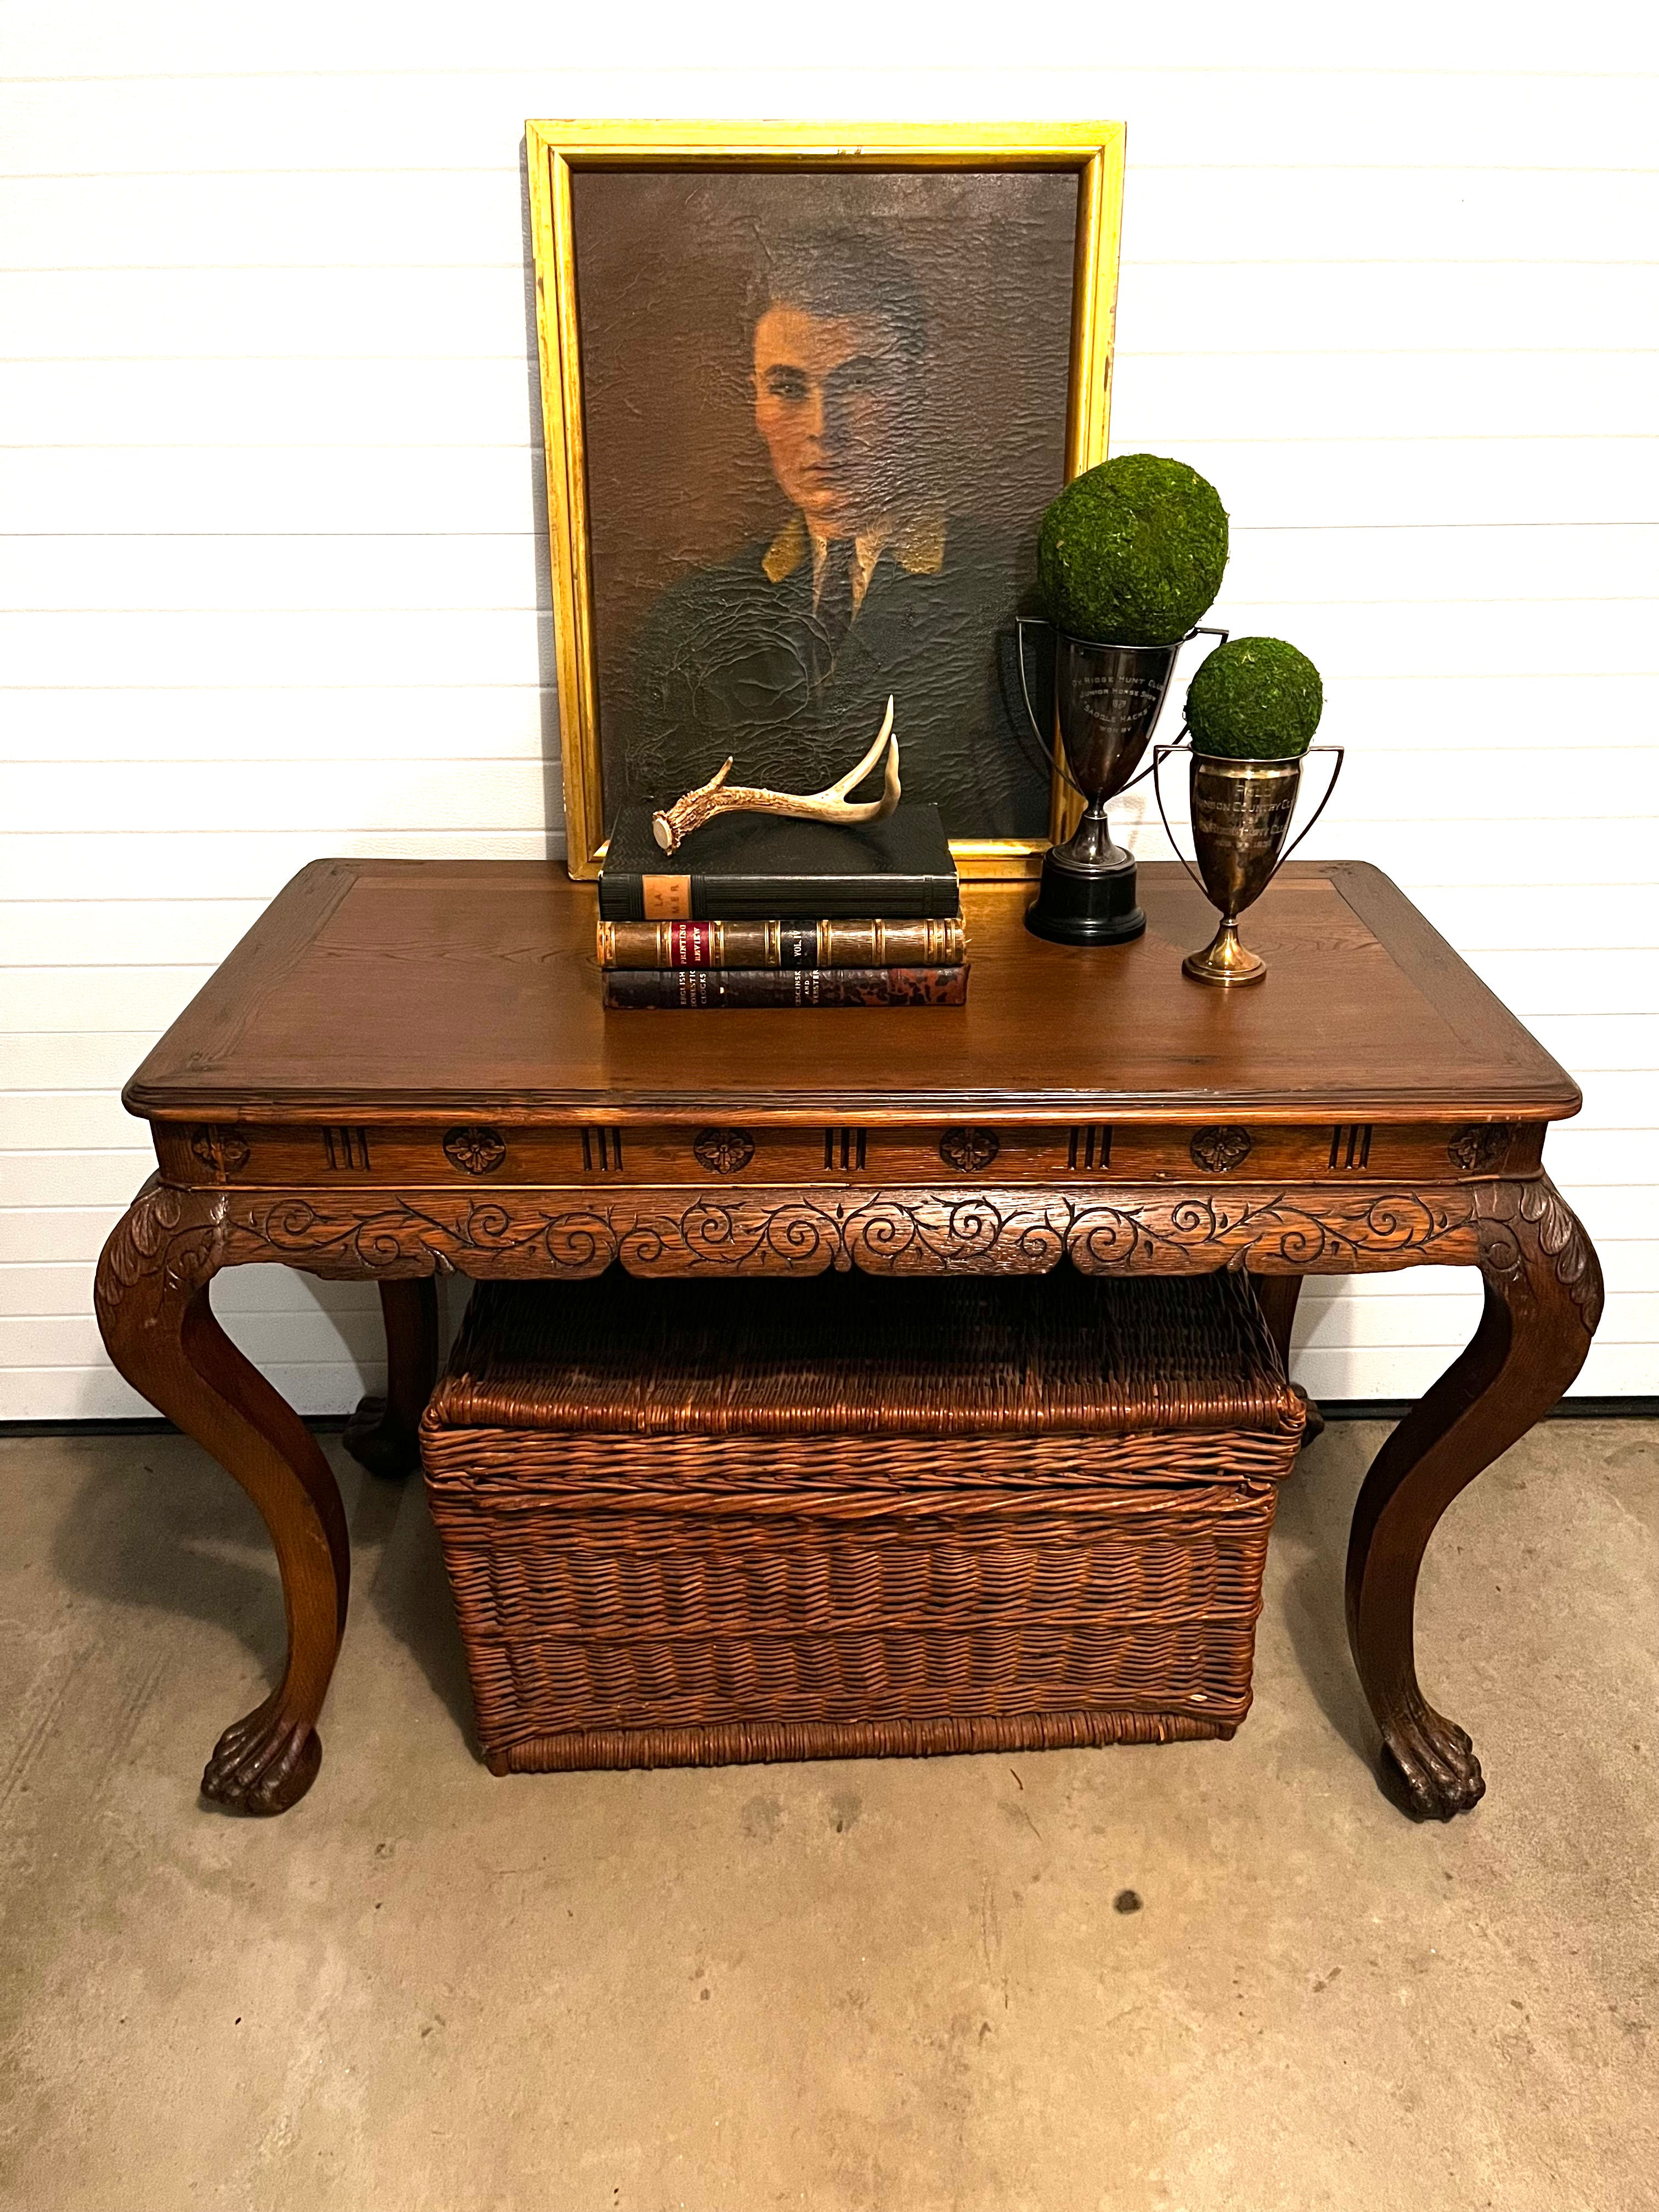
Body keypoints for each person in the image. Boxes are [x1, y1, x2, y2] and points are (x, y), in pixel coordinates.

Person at [617, 234, 1049, 838]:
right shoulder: (688, 619)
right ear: (755, 398)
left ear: (917, 389)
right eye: (789, 388)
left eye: (860, 382)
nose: (824, 428)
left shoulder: (1013, 594)